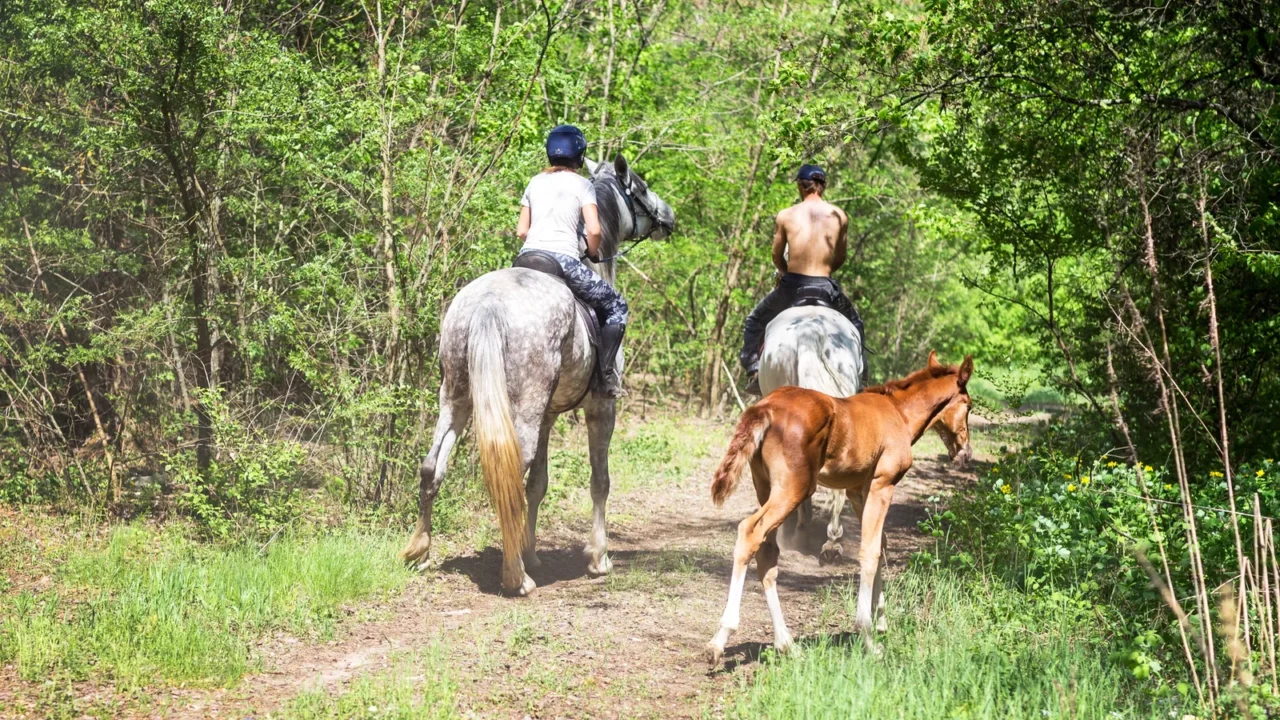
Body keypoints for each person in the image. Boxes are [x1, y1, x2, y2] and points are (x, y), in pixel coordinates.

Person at [516, 124, 629, 397]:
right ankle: (605, 377)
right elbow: (594, 230)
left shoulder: (535, 182)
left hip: (526, 259)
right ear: (579, 155)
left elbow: (521, 231)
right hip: (562, 262)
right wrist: (592, 252)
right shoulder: (582, 184)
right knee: (617, 305)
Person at [739, 164, 865, 393]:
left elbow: (776, 257)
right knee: (856, 324)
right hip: (826, 287)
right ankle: (863, 377)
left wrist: (786, 273)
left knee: (755, 321)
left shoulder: (786, 215)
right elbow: (840, 258)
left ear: (800, 185)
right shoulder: (840, 216)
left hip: (792, 287)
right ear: (822, 187)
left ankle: (756, 372)